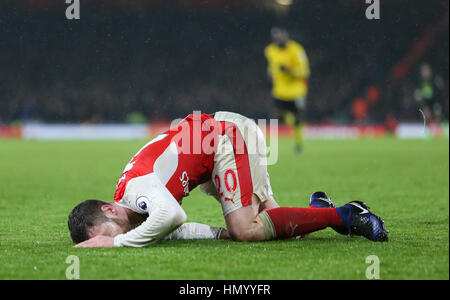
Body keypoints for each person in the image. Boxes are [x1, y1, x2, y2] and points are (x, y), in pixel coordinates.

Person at [68, 111, 388, 248]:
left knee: (245, 229)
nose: (121, 235)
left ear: (110, 210)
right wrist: (219, 235)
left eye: (113, 231)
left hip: (222, 138)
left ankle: (347, 215)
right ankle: (321, 209)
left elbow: (173, 216)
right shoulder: (133, 204)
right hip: (211, 148)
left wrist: (117, 242)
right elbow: (173, 231)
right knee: (276, 230)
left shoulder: (136, 191)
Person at [265, 27, 310, 153]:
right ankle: (270, 145)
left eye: (281, 37)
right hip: (279, 91)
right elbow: (272, 66)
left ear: (286, 37)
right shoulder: (270, 51)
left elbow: (305, 71)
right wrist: (270, 75)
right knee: (277, 116)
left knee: (298, 118)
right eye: (276, 38)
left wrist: (290, 71)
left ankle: (299, 143)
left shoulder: (297, 50)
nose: (278, 40)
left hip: (296, 92)